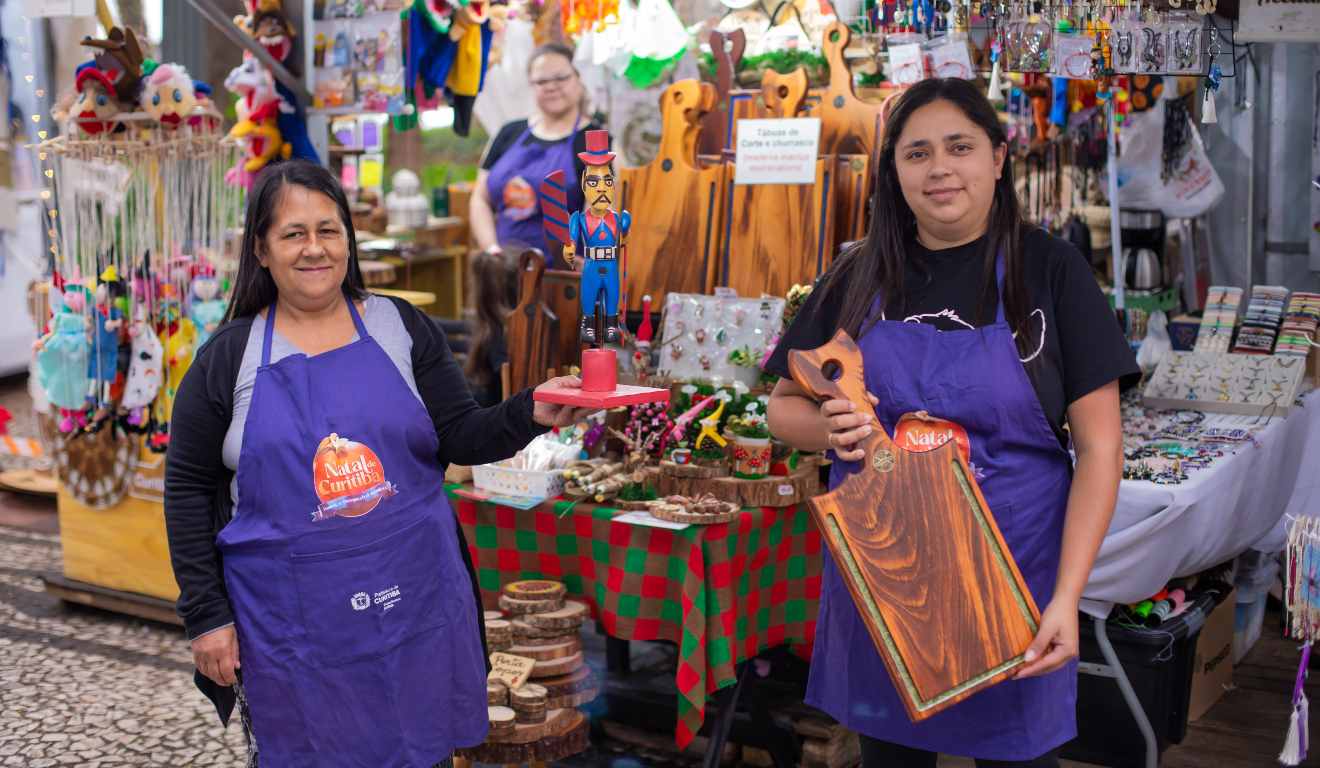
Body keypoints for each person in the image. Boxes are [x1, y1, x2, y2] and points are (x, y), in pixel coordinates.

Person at [164, 160, 592, 768]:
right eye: (293, 234)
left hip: (415, 604)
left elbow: (461, 435)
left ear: (349, 238)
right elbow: (186, 489)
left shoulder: (401, 327)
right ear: (260, 250)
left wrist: (531, 410)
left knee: (424, 751)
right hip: (293, 628)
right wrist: (206, 617)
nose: (315, 248)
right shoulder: (228, 359)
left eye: (328, 230)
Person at [764, 78, 1137, 767]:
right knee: (890, 758)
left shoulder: (1051, 270)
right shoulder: (858, 273)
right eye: (917, 153)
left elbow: (1100, 448)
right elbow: (782, 406)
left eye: (959, 147)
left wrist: (1068, 597)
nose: (939, 168)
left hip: (1015, 581)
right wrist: (828, 432)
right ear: (894, 172)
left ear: (998, 156)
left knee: (1017, 757)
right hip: (888, 576)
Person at [469, 42, 598, 265]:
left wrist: (587, 265)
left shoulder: (595, 142)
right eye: (541, 81)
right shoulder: (508, 132)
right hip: (503, 268)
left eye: (561, 78)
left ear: (579, 79)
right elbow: (480, 198)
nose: (551, 87)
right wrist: (491, 249)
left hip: (562, 274)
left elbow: (599, 215)